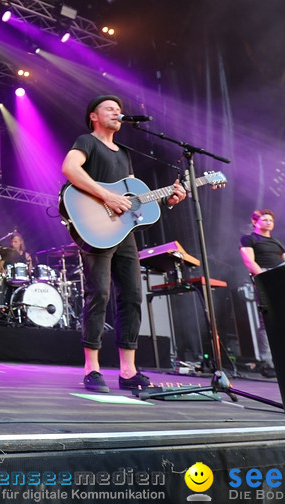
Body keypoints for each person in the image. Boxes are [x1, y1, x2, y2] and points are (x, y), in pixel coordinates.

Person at [61, 94, 186, 393]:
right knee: (99, 294)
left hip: (123, 233)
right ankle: (92, 368)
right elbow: (70, 169)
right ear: (94, 116)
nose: (117, 112)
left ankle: (128, 371)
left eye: (119, 109)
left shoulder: (125, 153)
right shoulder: (87, 141)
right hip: (97, 229)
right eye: (110, 108)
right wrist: (106, 196)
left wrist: (168, 198)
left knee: (131, 295)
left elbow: (134, 199)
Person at [238, 209, 285, 378]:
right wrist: (264, 278)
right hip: (265, 276)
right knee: (267, 320)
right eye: (265, 219)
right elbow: (248, 260)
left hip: (282, 277)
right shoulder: (249, 239)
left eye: (271, 220)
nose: (269, 222)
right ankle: (267, 363)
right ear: (255, 222)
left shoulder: (277, 241)